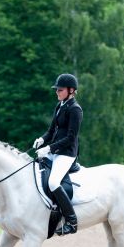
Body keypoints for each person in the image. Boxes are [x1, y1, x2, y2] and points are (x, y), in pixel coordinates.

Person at [33, 73, 82, 235]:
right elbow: (51, 130)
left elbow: (70, 137)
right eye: (57, 90)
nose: (57, 92)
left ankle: (71, 221)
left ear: (71, 91)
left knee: (54, 182)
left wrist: (49, 148)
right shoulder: (60, 106)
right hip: (55, 151)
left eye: (60, 90)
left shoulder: (75, 109)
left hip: (67, 153)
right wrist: (42, 139)